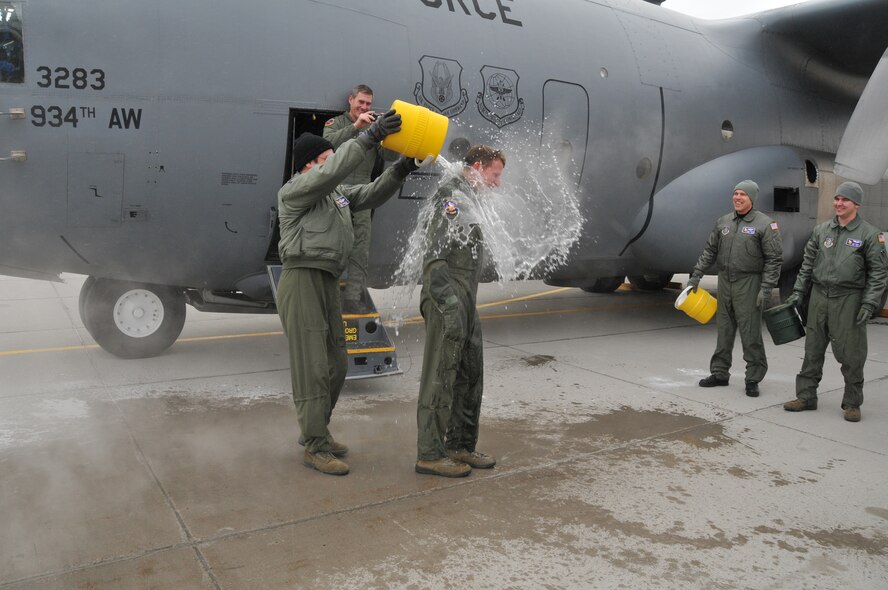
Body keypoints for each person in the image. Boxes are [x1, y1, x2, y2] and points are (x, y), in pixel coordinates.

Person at [277, 109, 420, 475]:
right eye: (326, 158)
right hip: (302, 277)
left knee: (337, 361)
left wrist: (402, 168)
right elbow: (335, 170)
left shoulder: (336, 196)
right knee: (312, 367)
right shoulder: (295, 191)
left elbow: (371, 194)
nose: (332, 164)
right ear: (309, 165)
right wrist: (369, 137)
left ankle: (315, 429)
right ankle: (314, 445)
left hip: (326, 280)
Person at [415, 145, 505, 477]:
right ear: (478, 167)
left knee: (470, 372)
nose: (497, 183)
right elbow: (434, 254)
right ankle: (429, 452)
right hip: (447, 292)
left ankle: (459, 445)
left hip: (465, 294)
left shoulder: (472, 199)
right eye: (494, 175)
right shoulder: (451, 198)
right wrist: (446, 302)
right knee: (441, 374)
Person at [783, 181, 888, 422]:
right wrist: (799, 291)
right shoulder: (822, 231)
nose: (839, 203)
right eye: (837, 199)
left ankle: (852, 403)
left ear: (856, 205)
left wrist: (869, 303)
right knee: (813, 350)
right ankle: (807, 397)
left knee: (851, 354)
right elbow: (807, 264)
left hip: (849, 299)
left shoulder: (870, 235)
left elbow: (879, 273)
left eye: (845, 200)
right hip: (820, 296)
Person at [688, 180, 783, 397]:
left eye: (743, 195)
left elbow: (774, 259)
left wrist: (766, 289)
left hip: (749, 283)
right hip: (725, 281)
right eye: (735, 194)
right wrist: (696, 275)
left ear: (752, 199)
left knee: (750, 333)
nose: (738, 198)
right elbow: (710, 251)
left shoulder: (765, 225)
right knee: (724, 330)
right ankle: (720, 373)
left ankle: (753, 377)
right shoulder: (723, 222)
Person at [323, 84, 392, 314]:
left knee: (360, 247)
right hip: (336, 188)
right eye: (360, 102)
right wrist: (356, 126)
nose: (364, 107)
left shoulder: (374, 127)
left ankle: (353, 298)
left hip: (362, 191)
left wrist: (388, 133)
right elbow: (329, 145)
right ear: (351, 100)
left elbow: (388, 156)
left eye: (368, 104)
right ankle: (328, 296)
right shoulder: (336, 124)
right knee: (333, 246)